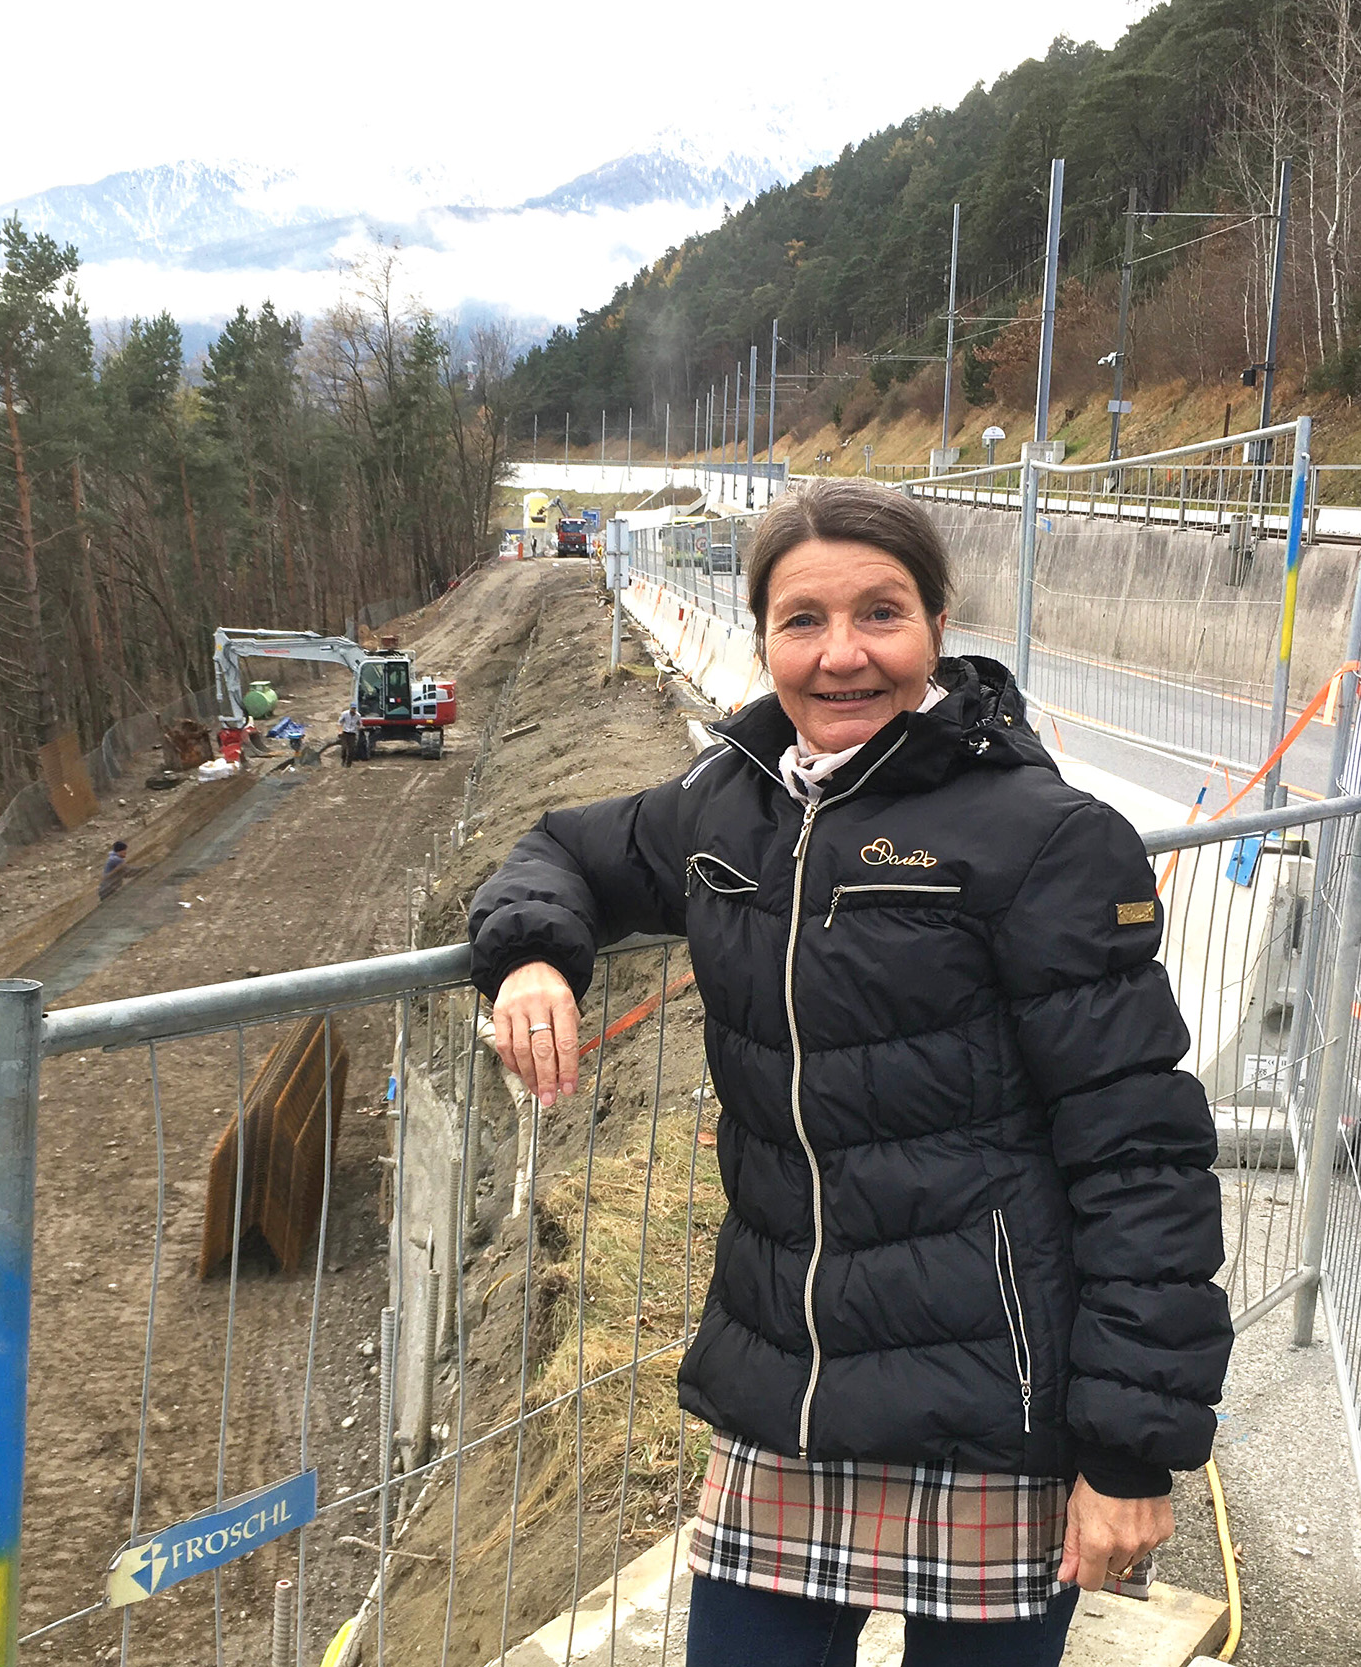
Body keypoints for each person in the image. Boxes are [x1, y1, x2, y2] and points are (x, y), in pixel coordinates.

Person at [469, 478, 1229, 1666]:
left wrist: (1130, 1452)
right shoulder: (725, 807)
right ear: (762, 632)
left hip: (993, 1410)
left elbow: (1141, 1156)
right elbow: (561, 847)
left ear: (936, 625)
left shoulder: (1047, 838)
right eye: (801, 619)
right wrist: (528, 958)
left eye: (879, 613)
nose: (841, 656)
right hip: (785, 1388)